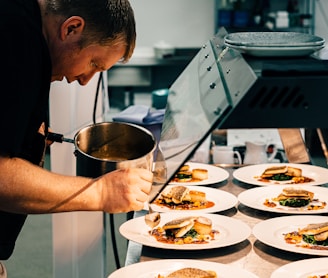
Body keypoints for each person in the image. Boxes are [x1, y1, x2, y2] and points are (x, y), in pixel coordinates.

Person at [0, 0, 153, 268]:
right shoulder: (16, 41)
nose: (84, 80)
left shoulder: (21, 22)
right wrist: (102, 193)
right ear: (71, 28)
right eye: (93, 63)